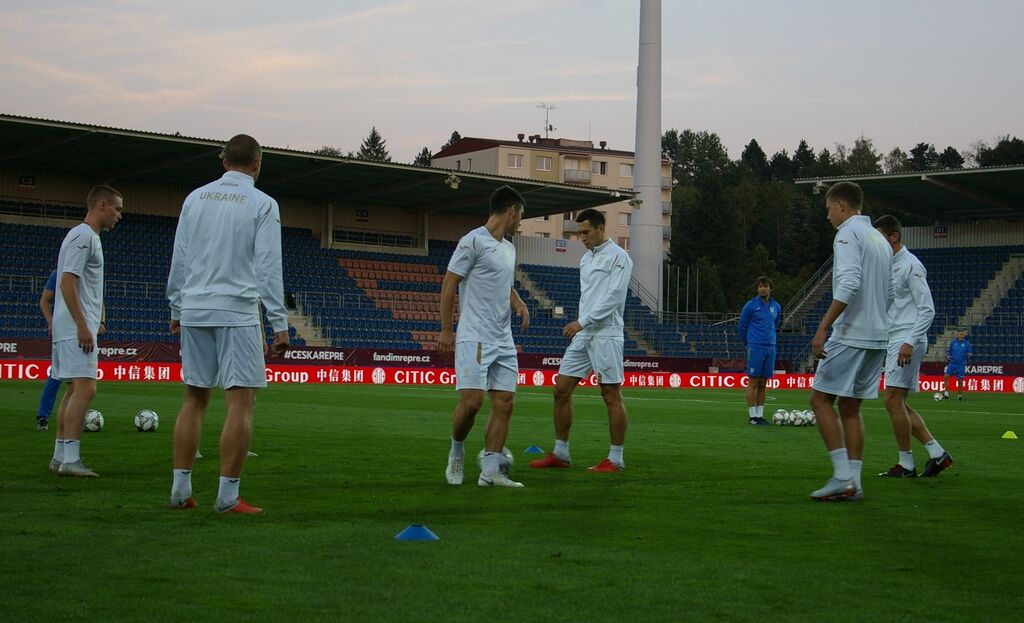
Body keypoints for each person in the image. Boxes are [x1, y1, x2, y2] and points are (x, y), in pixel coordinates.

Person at [166, 134, 289, 513]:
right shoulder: (263, 203)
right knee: (240, 403)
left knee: (194, 398)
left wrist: (175, 308)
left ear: (223, 162)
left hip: (195, 307)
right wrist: (279, 322)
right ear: (257, 163)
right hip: (236, 310)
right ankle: (227, 496)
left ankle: (180, 492)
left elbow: (180, 257)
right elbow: (268, 266)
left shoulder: (195, 198)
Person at [529, 209, 633, 472]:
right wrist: (583, 324)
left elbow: (614, 297)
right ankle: (561, 454)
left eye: (586, 232)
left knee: (611, 394)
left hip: (606, 333)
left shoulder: (619, 257)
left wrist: (582, 321)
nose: (582, 238)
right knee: (561, 390)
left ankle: (616, 459)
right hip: (584, 333)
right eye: (579, 234)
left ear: (601, 228)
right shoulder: (586, 259)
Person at [808, 181, 893, 501]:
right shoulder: (880, 240)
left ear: (842, 206)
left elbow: (849, 283)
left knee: (819, 400)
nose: (828, 215)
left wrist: (823, 327)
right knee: (851, 407)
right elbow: (891, 291)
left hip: (852, 332)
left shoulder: (846, 234)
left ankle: (842, 476)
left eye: (829, 209)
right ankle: (854, 484)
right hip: (878, 336)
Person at [440, 185, 530, 488]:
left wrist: (517, 301)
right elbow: (450, 283)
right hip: (474, 335)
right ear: (512, 212)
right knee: (472, 403)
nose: (519, 225)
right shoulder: (472, 241)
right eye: (520, 218)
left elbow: (503, 283)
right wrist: (445, 330)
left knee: (505, 401)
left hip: (502, 338)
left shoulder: (508, 247)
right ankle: (457, 451)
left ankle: (490, 472)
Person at [48, 185, 123, 477]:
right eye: (117, 209)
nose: (119, 215)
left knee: (72, 389)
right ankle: (71, 460)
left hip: (71, 326)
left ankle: (59, 456)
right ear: (102, 205)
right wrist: (82, 324)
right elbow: (67, 282)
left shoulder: (85, 236)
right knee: (86, 390)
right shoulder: (83, 236)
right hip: (75, 326)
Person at [874, 216, 954, 478]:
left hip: (906, 339)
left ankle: (906, 464)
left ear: (894, 237)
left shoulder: (911, 265)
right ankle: (937, 453)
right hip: (896, 337)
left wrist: (909, 341)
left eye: (880, 237)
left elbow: (927, 309)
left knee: (892, 400)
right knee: (899, 403)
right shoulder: (889, 267)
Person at [737, 276, 782, 426]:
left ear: (770, 288)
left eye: (766, 286)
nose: (763, 289)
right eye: (760, 286)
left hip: (770, 347)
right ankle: (752, 417)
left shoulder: (776, 306)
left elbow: (775, 324)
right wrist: (748, 343)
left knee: (764, 382)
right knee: (753, 381)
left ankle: (760, 416)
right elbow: (742, 327)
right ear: (757, 288)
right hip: (755, 346)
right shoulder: (750, 306)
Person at [943, 330, 972, 401]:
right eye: (961, 334)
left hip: (961, 364)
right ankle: (946, 393)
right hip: (952, 363)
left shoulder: (967, 343)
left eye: (963, 334)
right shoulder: (953, 342)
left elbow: (970, 352)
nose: (962, 336)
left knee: (960, 381)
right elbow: (949, 352)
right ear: (957, 335)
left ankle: (959, 395)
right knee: (946, 376)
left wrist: (969, 354)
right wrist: (949, 356)